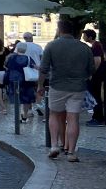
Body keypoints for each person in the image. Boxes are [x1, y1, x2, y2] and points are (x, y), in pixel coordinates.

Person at [41, 19, 95, 161]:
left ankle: (54, 146)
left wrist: (40, 86)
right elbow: (91, 70)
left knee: (54, 114)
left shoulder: (51, 46)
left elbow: (44, 68)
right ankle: (71, 153)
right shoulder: (84, 48)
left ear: (59, 29)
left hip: (57, 85)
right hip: (77, 87)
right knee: (73, 119)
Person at [4, 41, 37, 122]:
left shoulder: (11, 58)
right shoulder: (28, 58)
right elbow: (35, 67)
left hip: (14, 81)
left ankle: (17, 115)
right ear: (25, 50)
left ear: (17, 49)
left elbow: (6, 66)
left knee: (16, 98)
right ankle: (25, 115)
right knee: (26, 98)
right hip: (26, 81)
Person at [81, 28, 106, 126]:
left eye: (85, 35)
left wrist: (91, 74)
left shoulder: (96, 46)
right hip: (97, 75)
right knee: (95, 96)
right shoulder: (95, 45)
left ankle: (99, 118)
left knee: (95, 96)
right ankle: (96, 117)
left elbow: (97, 61)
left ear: (90, 37)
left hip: (97, 76)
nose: (83, 37)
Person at [22, 32, 45, 115]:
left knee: (27, 91)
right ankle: (38, 105)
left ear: (24, 38)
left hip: (24, 72)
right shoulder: (38, 47)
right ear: (31, 38)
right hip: (36, 71)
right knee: (38, 88)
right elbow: (42, 59)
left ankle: (30, 109)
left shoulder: (21, 46)